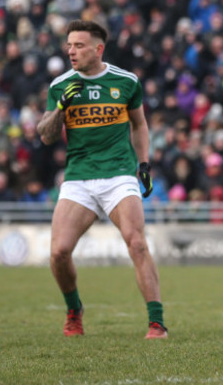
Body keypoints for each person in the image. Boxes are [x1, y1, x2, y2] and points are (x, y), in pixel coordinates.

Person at [36, 20, 167, 339]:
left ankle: (156, 322)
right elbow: (45, 136)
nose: (71, 51)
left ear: (98, 49)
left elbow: (139, 125)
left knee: (136, 243)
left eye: (79, 45)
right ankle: (73, 309)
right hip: (79, 178)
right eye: (69, 45)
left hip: (119, 175)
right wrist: (60, 109)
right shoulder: (60, 85)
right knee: (59, 253)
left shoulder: (126, 81)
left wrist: (144, 164)